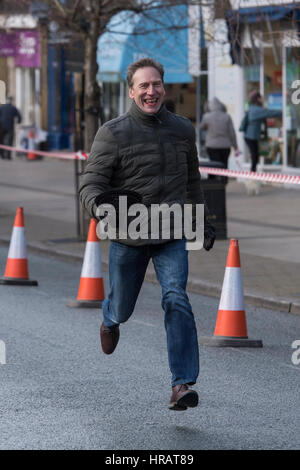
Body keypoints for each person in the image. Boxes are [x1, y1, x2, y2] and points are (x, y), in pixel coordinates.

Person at [79, 57, 215, 411]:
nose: (151, 91)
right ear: (131, 91)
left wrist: (202, 220)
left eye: (156, 84)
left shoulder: (182, 129)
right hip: (129, 233)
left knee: (176, 298)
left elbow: (191, 182)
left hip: (172, 231)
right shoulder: (113, 131)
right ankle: (110, 318)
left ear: (164, 88)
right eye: (144, 86)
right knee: (123, 307)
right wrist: (99, 205)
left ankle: (181, 384)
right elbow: (91, 184)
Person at [240, 90, 282, 172]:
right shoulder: (257, 110)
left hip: (250, 136)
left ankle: (253, 174)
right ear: (258, 99)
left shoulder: (252, 108)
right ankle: (252, 176)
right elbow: (269, 113)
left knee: (255, 156)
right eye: (261, 98)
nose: (262, 100)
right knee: (255, 156)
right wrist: (282, 111)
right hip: (251, 136)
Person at [200, 97, 238, 169]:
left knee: (213, 166)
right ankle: (224, 180)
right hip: (225, 146)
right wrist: (235, 146)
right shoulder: (227, 116)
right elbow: (232, 132)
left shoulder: (206, 116)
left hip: (212, 145)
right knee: (224, 166)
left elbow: (202, 127)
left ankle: (213, 180)